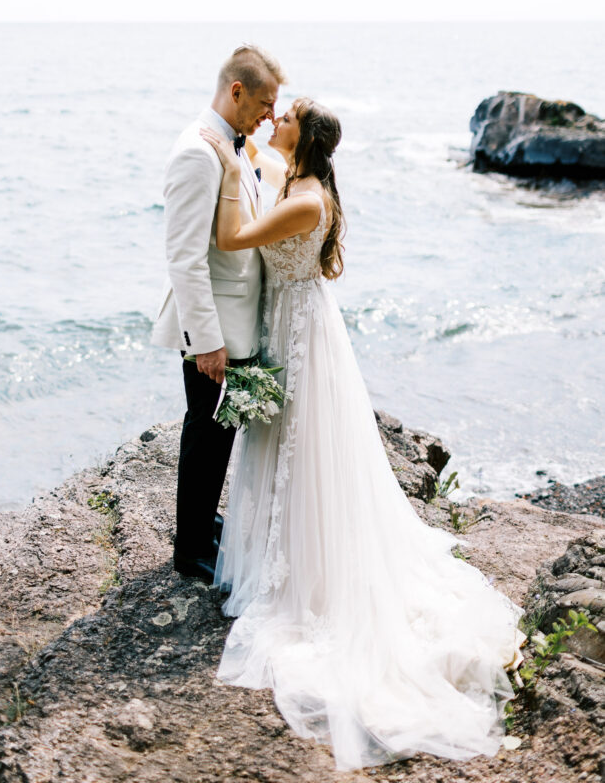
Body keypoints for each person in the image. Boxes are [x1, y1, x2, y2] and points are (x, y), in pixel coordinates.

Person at [199, 97, 526, 772]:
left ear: (305, 136)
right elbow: (261, 167)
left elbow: (233, 239)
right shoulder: (292, 179)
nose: (274, 121)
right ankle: (277, 545)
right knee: (282, 444)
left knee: (304, 449)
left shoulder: (304, 197)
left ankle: (308, 571)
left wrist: (229, 173)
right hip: (286, 326)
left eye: (283, 117)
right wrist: (241, 154)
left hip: (299, 336)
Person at [151, 45, 286, 582]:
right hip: (213, 330)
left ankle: (204, 524)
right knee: (205, 433)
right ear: (237, 91)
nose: (270, 115)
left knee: (219, 434)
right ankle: (190, 549)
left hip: (234, 323)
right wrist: (205, 340)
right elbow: (184, 257)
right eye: (264, 103)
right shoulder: (196, 153)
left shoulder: (233, 149)